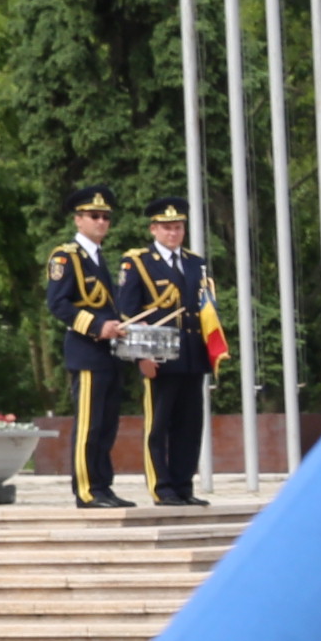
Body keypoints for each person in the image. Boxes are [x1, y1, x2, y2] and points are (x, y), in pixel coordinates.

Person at [114, 195, 223, 507]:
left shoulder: (194, 263)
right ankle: (162, 487)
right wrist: (141, 356)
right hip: (158, 359)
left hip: (191, 356)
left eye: (177, 227)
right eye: (166, 227)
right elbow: (129, 313)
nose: (172, 233)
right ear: (153, 229)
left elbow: (202, 312)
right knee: (160, 425)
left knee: (189, 426)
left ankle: (183, 485)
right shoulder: (137, 262)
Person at [45, 181, 143, 510]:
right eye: (94, 215)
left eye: (105, 217)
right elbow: (58, 304)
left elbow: (107, 306)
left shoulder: (100, 258)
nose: (101, 222)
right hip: (86, 353)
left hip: (109, 355)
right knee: (89, 425)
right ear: (78, 219)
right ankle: (87, 490)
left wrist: (125, 324)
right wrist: (99, 326)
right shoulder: (66, 257)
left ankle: (103, 486)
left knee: (105, 426)